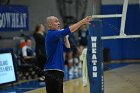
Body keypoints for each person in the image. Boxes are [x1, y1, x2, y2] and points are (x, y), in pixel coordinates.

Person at [44, 16, 92, 93]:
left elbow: (68, 48)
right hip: (52, 70)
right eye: (56, 21)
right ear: (49, 24)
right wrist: (82, 22)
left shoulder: (57, 37)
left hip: (58, 70)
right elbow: (69, 30)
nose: (59, 23)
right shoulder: (52, 34)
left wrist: (65, 38)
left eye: (58, 21)